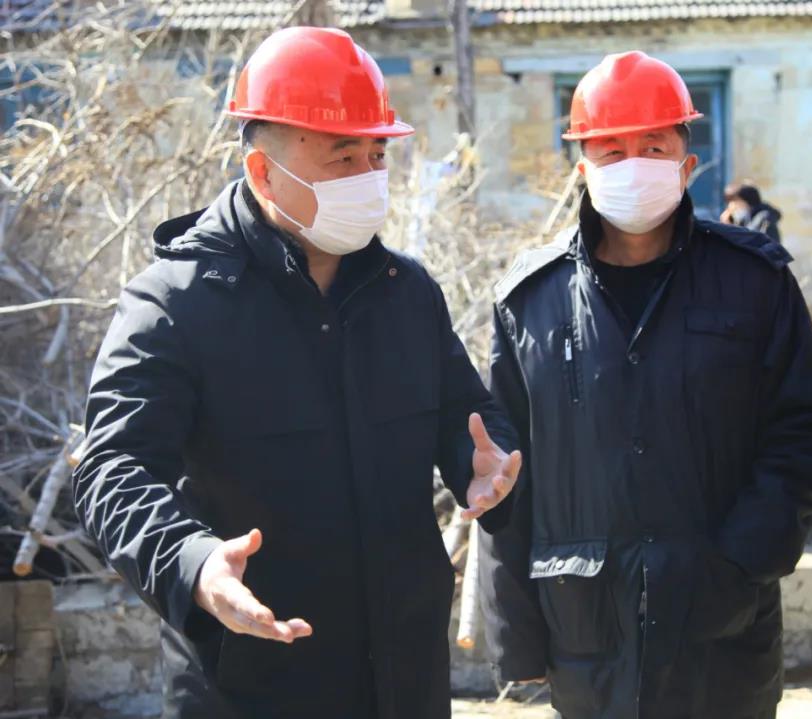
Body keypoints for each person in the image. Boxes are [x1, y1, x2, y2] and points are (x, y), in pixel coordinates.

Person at [72, 27, 520, 719]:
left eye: (377, 155)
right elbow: (111, 469)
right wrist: (192, 562)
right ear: (262, 172)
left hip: (404, 679)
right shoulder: (176, 302)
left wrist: (480, 465)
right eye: (344, 157)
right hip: (249, 680)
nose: (369, 177)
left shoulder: (407, 293)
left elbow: (466, 414)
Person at [478, 50, 812, 719]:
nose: (633, 164)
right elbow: (502, 473)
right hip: (587, 638)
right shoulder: (529, 301)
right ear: (582, 167)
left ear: (687, 162)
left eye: (653, 146)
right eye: (611, 149)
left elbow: (810, 431)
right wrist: (516, 637)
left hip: (723, 636)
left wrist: (742, 561)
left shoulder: (753, 281)